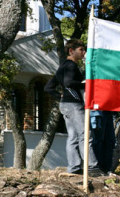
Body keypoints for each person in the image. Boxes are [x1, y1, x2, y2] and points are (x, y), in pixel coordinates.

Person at [44, 38, 103, 176]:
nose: (84, 52)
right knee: (85, 134)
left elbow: (48, 87)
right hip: (74, 105)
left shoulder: (62, 66)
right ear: (71, 51)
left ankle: (74, 167)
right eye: (81, 50)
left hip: (65, 105)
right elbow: (69, 82)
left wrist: (60, 96)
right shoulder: (71, 66)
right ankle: (92, 167)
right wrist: (86, 84)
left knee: (73, 137)